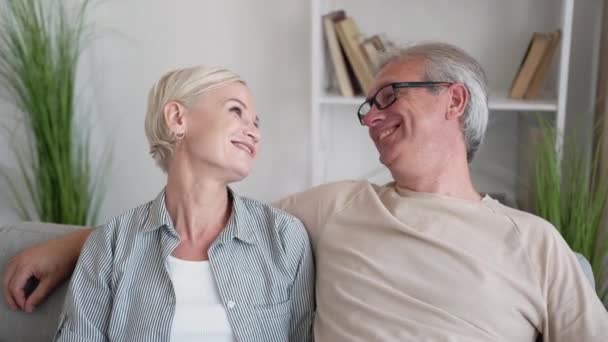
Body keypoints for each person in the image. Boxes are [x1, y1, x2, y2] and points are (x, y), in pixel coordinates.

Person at [4, 42, 608, 341]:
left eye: (389, 97)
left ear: (454, 100)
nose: (371, 116)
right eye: (367, 108)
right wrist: (74, 245)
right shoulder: (336, 207)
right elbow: (200, 222)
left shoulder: (534, 243)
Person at [16, 65, 315, 341]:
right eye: (236, 111)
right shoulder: (110, 245)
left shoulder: (284, 238)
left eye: (256, 123)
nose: (254, 131)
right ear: (177, 118)